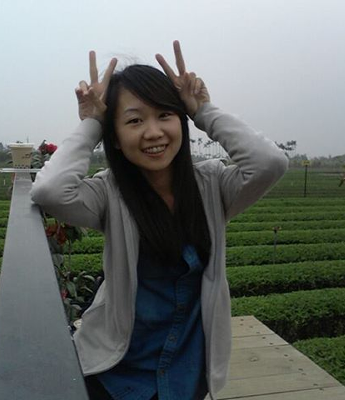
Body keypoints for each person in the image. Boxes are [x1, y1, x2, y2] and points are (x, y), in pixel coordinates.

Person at [30, 41, 288, 400]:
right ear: (115, 138)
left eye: (165, 115)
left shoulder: (213, 185)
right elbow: (51, 191)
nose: (153, 132)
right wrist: (92, 123)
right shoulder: (109, 193)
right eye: (134, 120)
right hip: (113, 371)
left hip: (186, 374)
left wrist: (203, 110)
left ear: (181, 121)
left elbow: (270, 163)